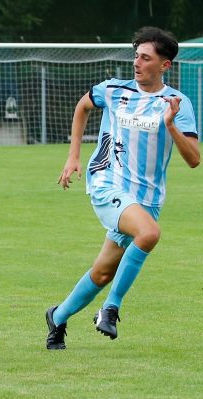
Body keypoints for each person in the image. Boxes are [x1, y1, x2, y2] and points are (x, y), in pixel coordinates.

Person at [46, 26, 200, 350]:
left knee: (102, 272)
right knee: (150, 234)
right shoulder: (114, 89)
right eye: (136, 56)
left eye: (146, 58)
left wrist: (170, 124)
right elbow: (82, 106)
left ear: (165, 65)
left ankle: (57, 317)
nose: (137, 62)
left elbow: (193, 159)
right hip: (106, 183)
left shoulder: (177, 103)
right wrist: (73, 156)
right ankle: (111, 308)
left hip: (146, 199)